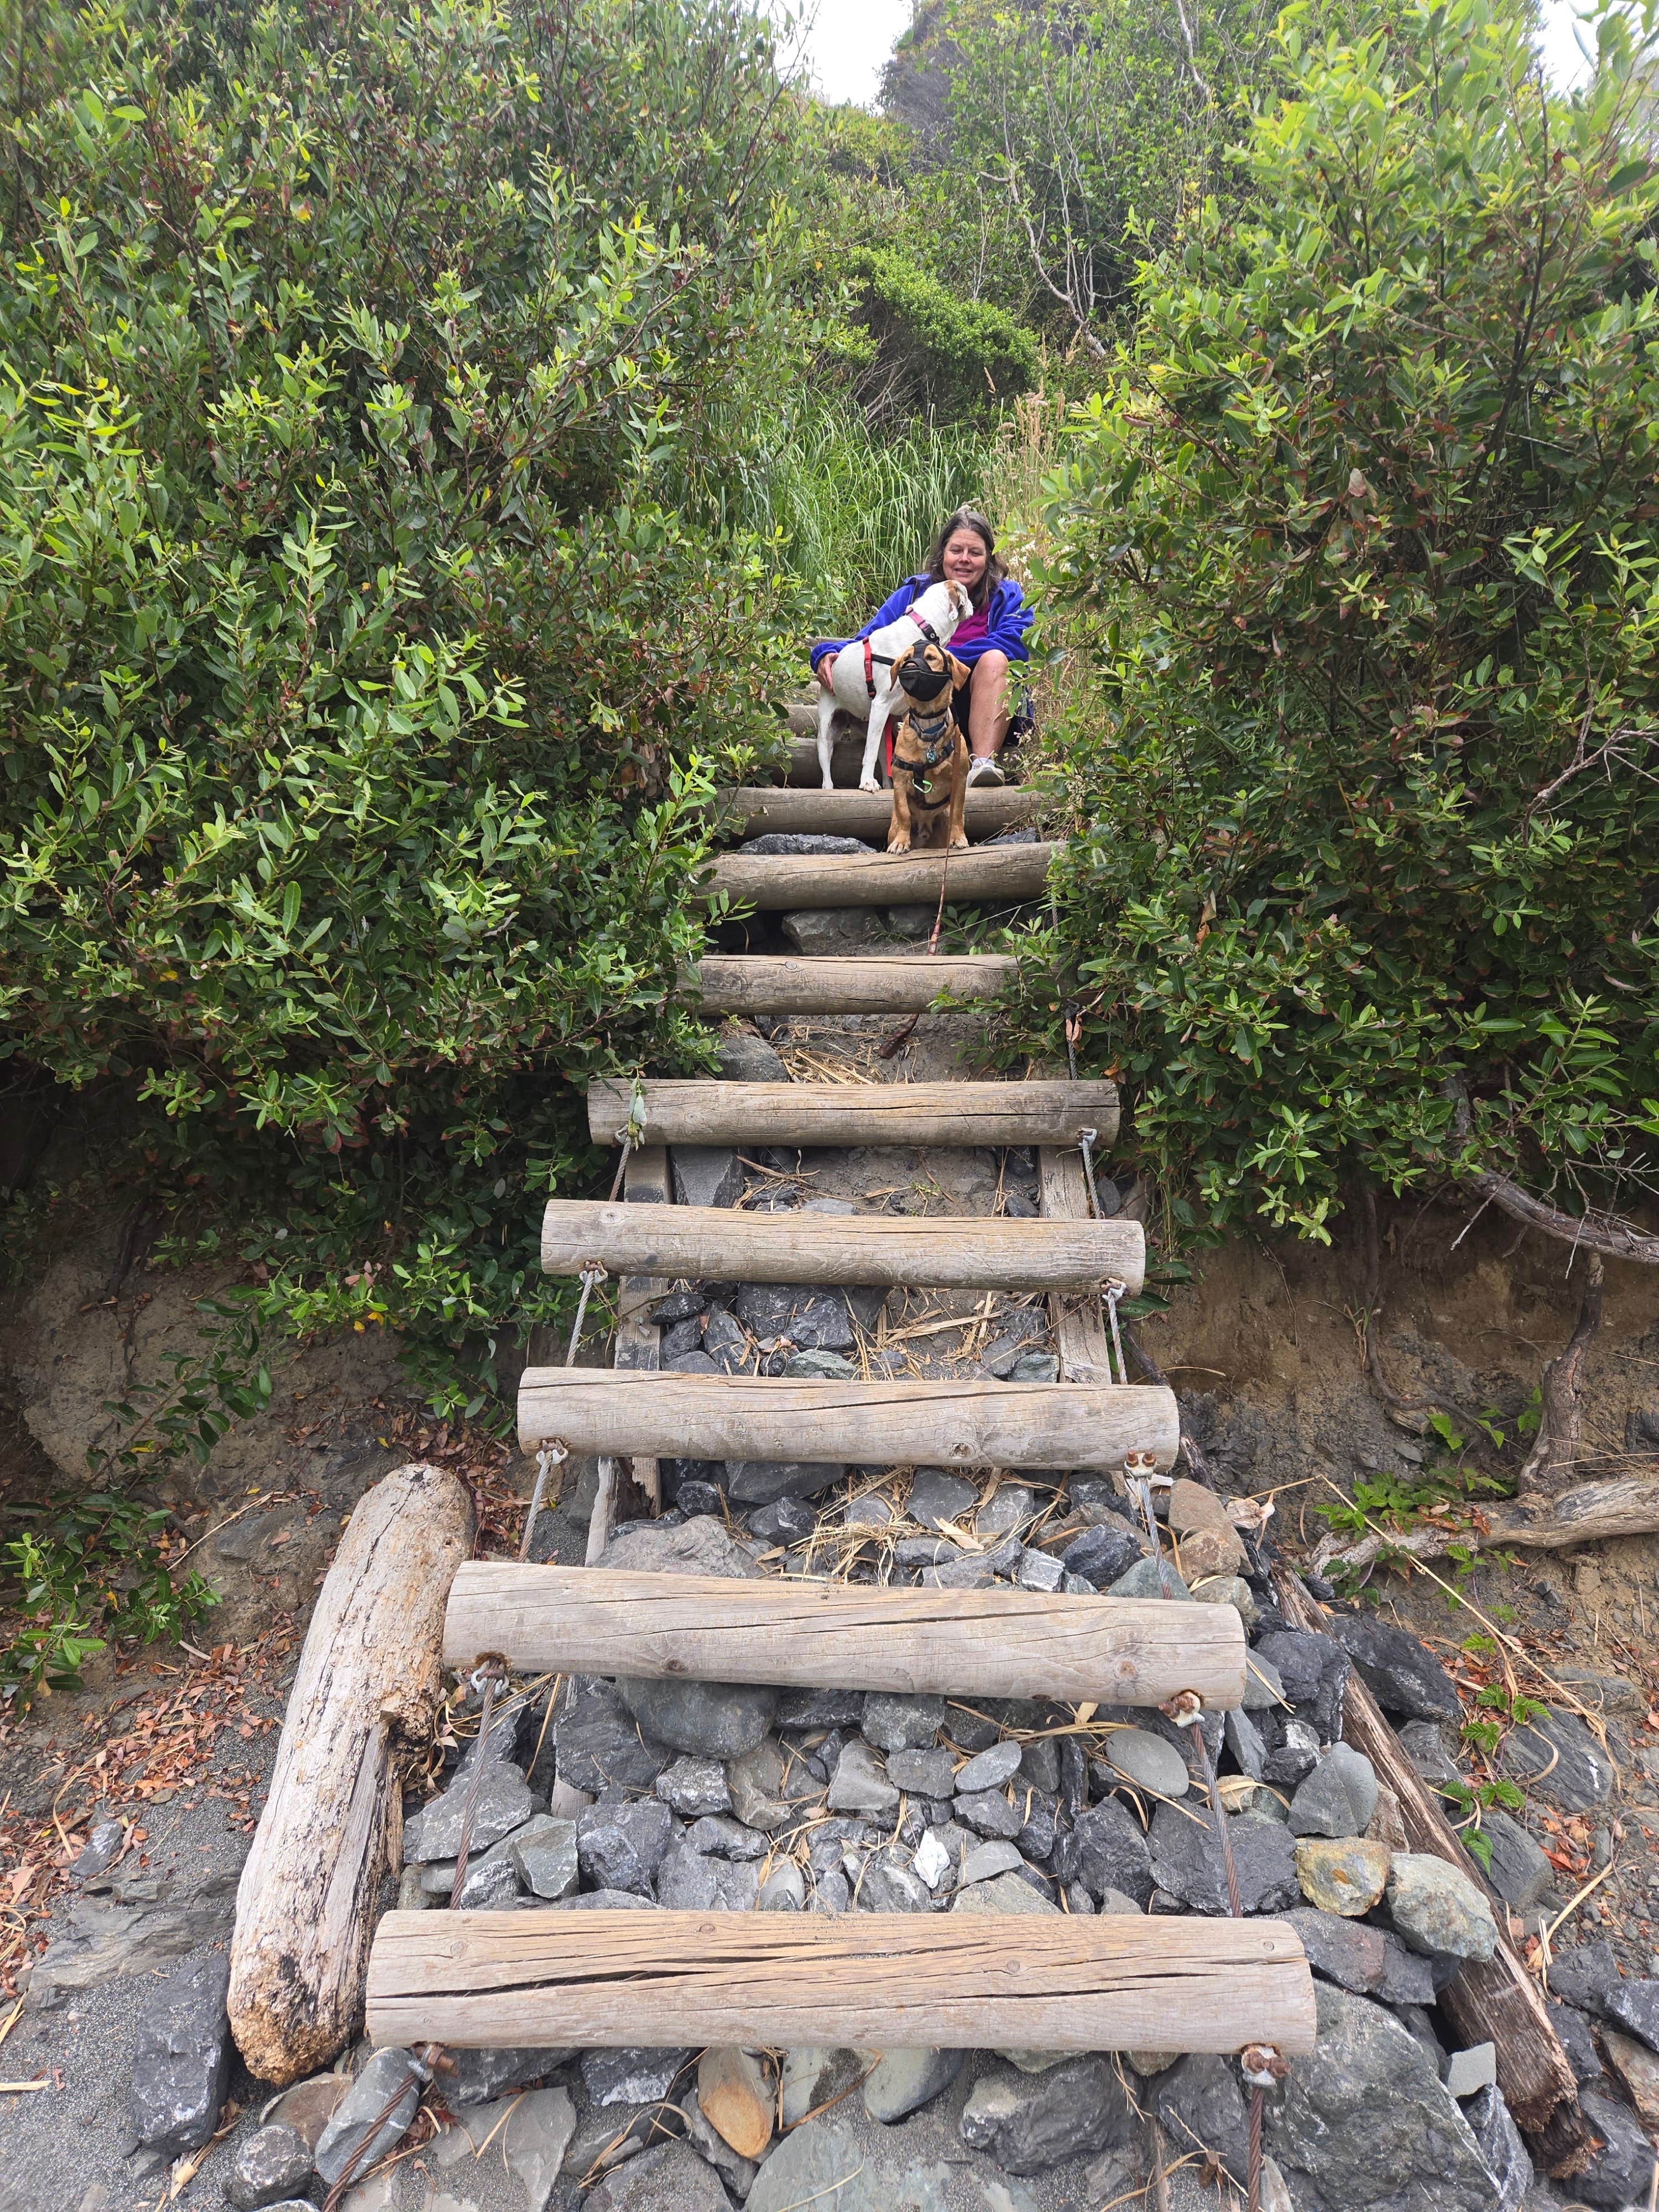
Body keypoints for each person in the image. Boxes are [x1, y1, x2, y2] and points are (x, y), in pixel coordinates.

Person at [810, 508, 1035, 788]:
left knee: (995, 660)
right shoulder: (913, 595)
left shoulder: (1008, 596)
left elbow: (1017, 643)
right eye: (957, 550)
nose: (965, 559)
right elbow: (869, 641)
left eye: (975, 552)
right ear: (943, 555)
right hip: (923, 708)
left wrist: (942, 660)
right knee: (915, 675)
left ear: (989, 558)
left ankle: (983, 766)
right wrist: (822, 653)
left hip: (984, 706)